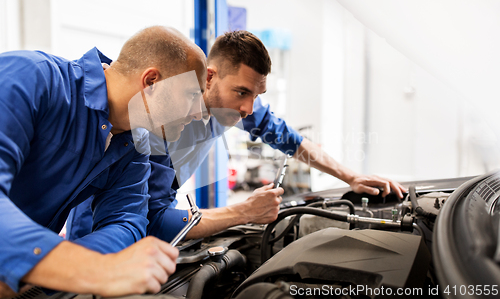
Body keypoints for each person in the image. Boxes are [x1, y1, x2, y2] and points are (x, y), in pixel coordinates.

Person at [68, 30, 406, 244]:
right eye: (242, 92)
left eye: (256, 96)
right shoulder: (159, 118)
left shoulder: (235, 106)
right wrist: (244, 211)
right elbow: (152, 221)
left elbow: (292, 141)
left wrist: (350, 176)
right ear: (210, 78)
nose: (248, 108)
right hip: (101, 227)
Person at [0, 26, 207, 298]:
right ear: (152, 82)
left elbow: (127, 221)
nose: (200, 113)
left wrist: (54, 270)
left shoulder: (133, 145)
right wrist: (86, 266)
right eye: (193, 95)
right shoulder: (30, 78)